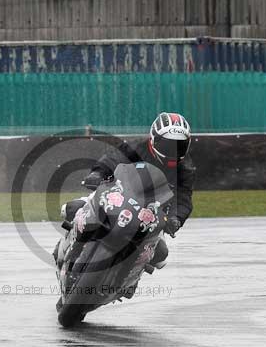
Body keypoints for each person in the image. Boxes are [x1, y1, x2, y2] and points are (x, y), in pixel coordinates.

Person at [81, 112, 195, 267]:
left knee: (160, 254)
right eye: (168, 145)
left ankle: (128, 280)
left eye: (179, 146)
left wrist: (176, 218)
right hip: (118, 199)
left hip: (151, 215)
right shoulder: (136, 148)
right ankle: (69, 247)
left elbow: (183, 197)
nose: (172, 150)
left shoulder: (185, 168)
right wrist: (97, 173)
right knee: (76, 210)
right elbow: (112, 159)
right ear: (154, 139)